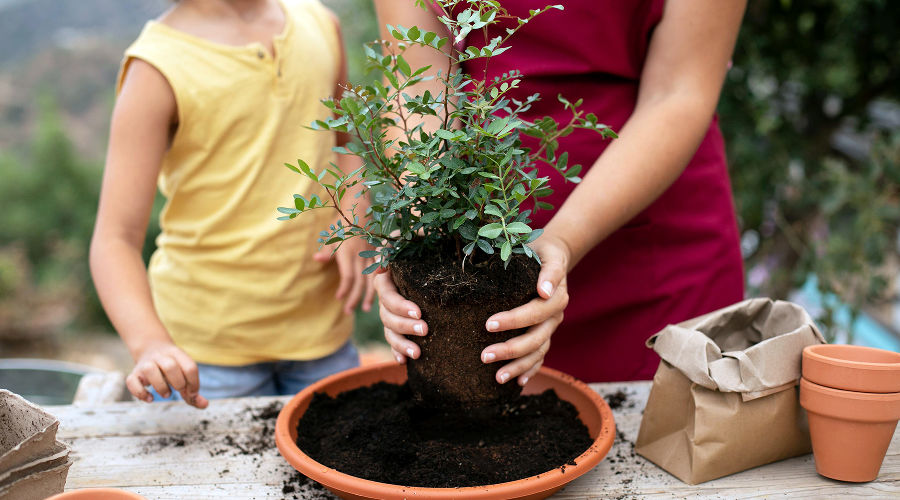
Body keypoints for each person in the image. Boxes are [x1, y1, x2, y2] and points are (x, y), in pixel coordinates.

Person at [373, 0, 748, 385]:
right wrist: (424, 221)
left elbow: (678, 94)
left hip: (656, 255)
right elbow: (418, 84)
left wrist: (564, 241)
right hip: (481, 252)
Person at [89, 0, 374, 409]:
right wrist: (151, 344)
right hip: (203, 361)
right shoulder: (155, 68)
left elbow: (346, 146)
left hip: (325, 339)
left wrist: (355, 215)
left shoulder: (321, 25)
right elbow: (114, 240)